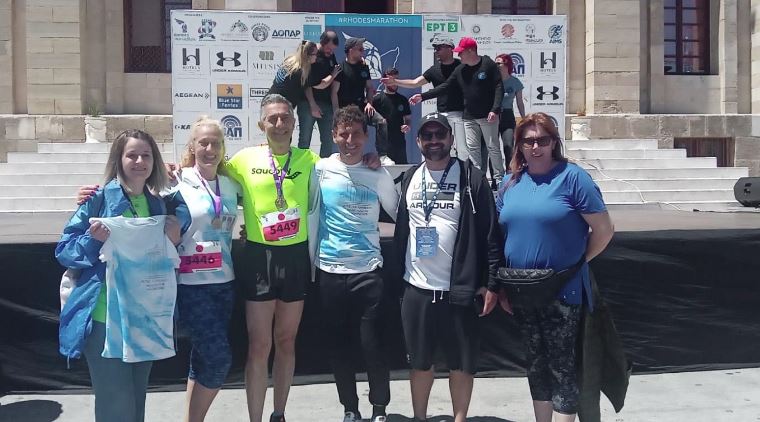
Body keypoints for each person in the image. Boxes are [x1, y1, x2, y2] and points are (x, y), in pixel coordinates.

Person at [227, 94, 380, 422]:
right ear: (261, 124)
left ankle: (279, 413)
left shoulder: (311, 160)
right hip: (259, 258)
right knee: (259, 345)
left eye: (285, 117)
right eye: (272, 118)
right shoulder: (243, 159)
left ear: (295, 123)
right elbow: (208, 168)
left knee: (286, 341)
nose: (279, 124)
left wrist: (371, 158)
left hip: (296, 257)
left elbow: (345, 162)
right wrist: (177, 168)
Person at [492, 112, 615, 422]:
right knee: (536, 364)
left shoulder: (573, 178)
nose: (535, 147)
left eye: (543, 140)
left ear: (554, 143)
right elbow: (500, 234)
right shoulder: (509, 182)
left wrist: (577, 264)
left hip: (562, 292)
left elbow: (603, 230)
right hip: (522, 291)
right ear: (518, 145)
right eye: (528, 141)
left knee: (562, 366)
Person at [56, 129, 180, 422]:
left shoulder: (157, 204)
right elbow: (64, 251)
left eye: (146, 155)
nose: (139, 161)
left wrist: (173, 239)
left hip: (144, 318)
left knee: (136, 404)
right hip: (104, 318)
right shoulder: (98, 199)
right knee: (116, 406)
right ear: (118, 159)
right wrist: (92, 240)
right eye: (131, 155)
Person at [392, 112, 504, 422]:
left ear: (451, 139)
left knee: (461, 364)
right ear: (418, 141)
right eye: (427, 136)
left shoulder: (471, 178)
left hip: (459, 290)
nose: (434, 141)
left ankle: (459, 418)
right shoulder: (410, 177)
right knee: (419, 362)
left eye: (440, 135)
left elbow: (490, 234)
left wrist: (491, 283)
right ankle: (419, 417)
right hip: (417, 288)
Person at [308, 105, 399, 422]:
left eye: (356, 134)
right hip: (330, 272)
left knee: (372, 345)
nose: (350, 141)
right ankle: (350, 408)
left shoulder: (378, 173)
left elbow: (400, 213)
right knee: (339, 347)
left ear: (366, 136)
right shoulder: (319, 169)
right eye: (343, 134)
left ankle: (379, 408)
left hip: (368, 272)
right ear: (333, 135)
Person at [164, 117, 242, 422]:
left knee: (202, 359)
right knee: (219, 359)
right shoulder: (176, 180)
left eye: (216, 143)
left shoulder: (231, 184)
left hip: (224, 282)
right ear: (192, 146)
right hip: (191, 285)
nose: (210, 149)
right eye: (203, 143)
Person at [410, 37, 505, 183]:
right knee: (472, 150)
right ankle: (476, 180)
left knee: (493, 147)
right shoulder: (460, 69)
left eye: (461, 52)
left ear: (471, 51)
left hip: (488, 116)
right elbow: (445, 86)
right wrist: (423, 96)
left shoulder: (488, 64)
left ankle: (499, 180)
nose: (458, 55)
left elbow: (498, 87)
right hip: (469, 116)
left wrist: (495, 109)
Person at [381, 36, 467, 160]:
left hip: (462, 114)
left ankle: (466, 172)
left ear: (450, 48)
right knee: (447, 149)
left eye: (439, 48)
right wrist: (394, 81)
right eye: (435, 48)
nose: (436, 51)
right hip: (443, 114)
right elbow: (415, 82)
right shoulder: (434, 70)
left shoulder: (461, 66)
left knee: (463, 150)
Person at [331, 37, 389, 164]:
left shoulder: (364, 67)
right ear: (351, 50)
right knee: (345, 134)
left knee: (381, 122)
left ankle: (383, 156)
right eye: (360, 49)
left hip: (361, 108)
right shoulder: (340, 68)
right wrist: (336, 112)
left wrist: (369, 103)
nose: (363, 52)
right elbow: (334, 92)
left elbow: (369, 88)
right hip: (345, 110)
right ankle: (343, 158)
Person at [299, 30, 342, 157]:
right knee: (305, 139)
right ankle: (301, 166)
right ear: (322, 42)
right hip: (308, 103)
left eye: (333, 49)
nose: (331, 52)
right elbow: (307, 84)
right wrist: (312, 105)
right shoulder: (311, 54)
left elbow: (334, 80)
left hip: (326, 104)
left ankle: (324, 166)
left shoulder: (331, 56)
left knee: (328, 140)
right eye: (329, 48)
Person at [267, 41, 326, 122]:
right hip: (280, 107)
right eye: (316, 54)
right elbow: (322, 85)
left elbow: (306, 87)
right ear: (307, 56)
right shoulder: (300, 73)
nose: (317, 57)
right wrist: (333, 74)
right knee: (283, 129)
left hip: (269, 102)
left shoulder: (290, 60)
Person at [371, 68, 411, 164]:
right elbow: (369, 118)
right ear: (384, 81)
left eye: (396, 80)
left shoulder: (403, 100)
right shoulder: (377, 99)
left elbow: (408, 118)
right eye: (391, 80)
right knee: (386, 170)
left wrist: (407, 125)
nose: (394, 83)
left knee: (402, 170)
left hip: (400, 143)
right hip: (384, 145)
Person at [495, 53, 526, 165]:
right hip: (493, 115)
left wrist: (524, 119)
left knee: (508, 146)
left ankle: (510, 171)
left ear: (506, 65)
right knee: (493, 148)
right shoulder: (492, 81)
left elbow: (520, 102)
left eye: (498, 63)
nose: (496, 65)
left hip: (507, 115)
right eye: (495, 63)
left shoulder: (515, 82)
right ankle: (495, 174)